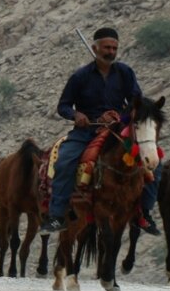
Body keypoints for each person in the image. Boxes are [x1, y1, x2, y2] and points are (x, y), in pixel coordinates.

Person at [40, 27, 162, 236]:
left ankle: (144, 213)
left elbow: (136, 102)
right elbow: (64, 106)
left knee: (154, 163)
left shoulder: (125, 72)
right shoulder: (80, 77)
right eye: (107, 47)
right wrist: (77, 116)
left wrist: (119, 116)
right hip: (88, 131)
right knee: (65, 160)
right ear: (96, 48)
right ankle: (57, 215)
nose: (111, 52)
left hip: (119, 130)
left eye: (114, 48)